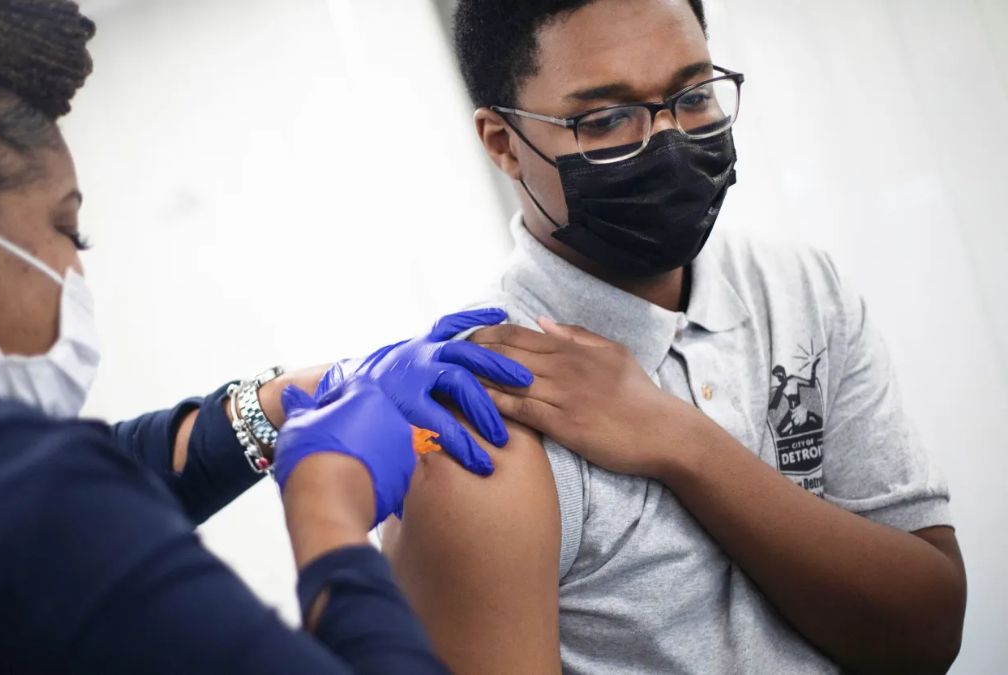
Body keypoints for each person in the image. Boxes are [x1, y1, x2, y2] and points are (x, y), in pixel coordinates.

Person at [0, 1, 536, 673]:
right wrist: (329, 517)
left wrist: (280, 402)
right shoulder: (6, 490)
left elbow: (108, 471)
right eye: (66, 228)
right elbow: (42, 501)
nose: (74, 269)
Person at [379, 1, 968, 673]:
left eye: (693, 95)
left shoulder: (799, 286)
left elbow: (926, 631)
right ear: (503, 143)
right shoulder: (478, 404)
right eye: (604, 118)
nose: (668, 141)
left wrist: (675, 437)